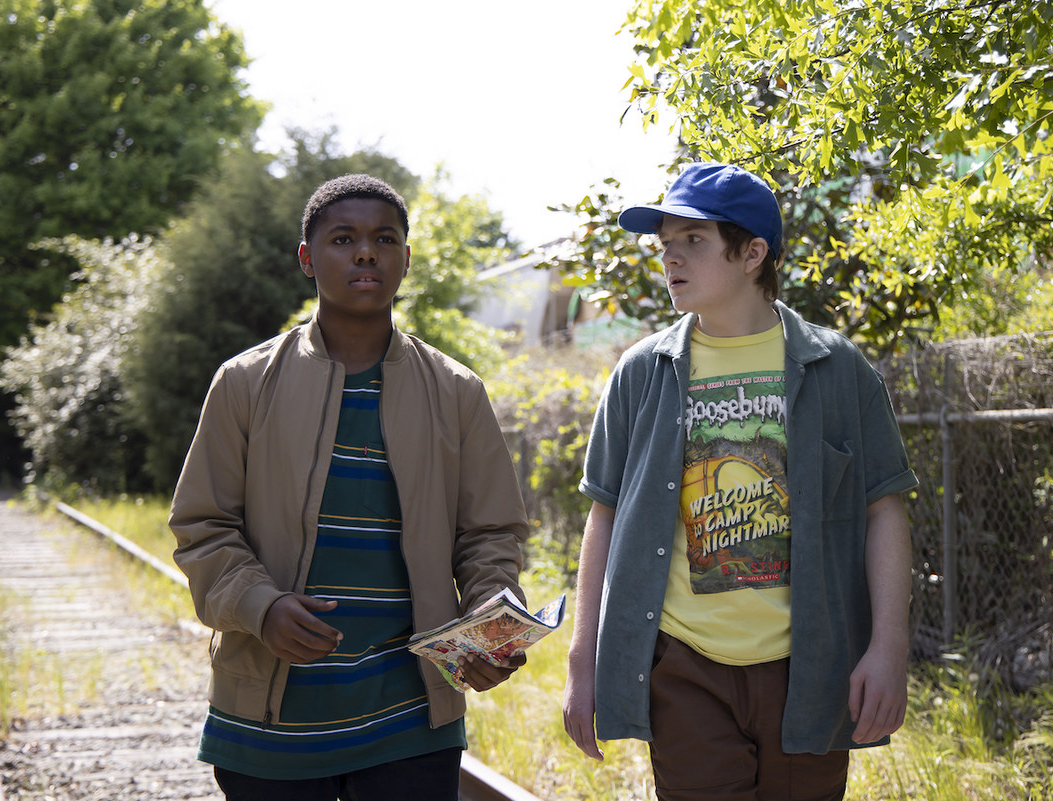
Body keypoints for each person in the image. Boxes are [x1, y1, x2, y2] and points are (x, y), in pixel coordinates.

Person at [562, 162, 918, 801]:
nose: (671, 258)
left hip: (809, 668)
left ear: (753, 253)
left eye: (693, 241)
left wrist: (890, 645)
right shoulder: (642, 372)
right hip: (684, 666)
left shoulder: (838, 369)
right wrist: (581, 655)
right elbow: (605, 517)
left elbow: (883, 510)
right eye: (666, 244)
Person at [169, 174, 530, 801]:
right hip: (269, 719)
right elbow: (202, 528)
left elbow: (490, 535)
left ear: (406, 259)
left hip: (410, 718)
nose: (365, 252)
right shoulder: (245, 383)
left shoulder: (457, 391)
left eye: (384, 239)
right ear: (308, 259)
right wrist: (262, 606)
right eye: (343, 238)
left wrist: (487, 620)